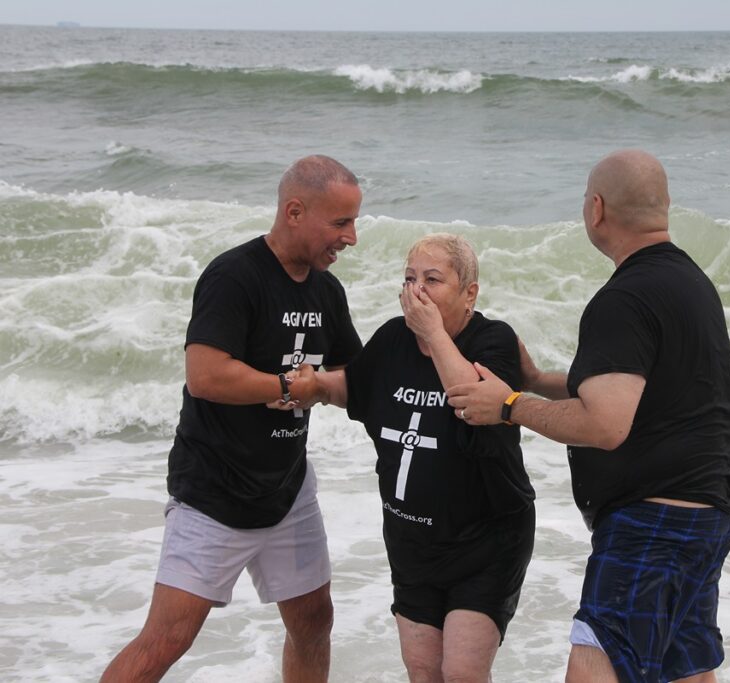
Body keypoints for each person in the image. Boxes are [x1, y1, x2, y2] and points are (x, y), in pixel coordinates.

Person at [448, 150, 730, 683]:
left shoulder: (623, 299)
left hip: (655, 522)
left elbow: (606, 425)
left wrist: (510, 406)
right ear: (665, 207)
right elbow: (645, 389)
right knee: (687, 665)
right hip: (708, 512)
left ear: (596, 209)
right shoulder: (690, 283)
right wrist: (538, 381)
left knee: (595, 663)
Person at [101, 155, 364, 682]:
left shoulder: (325, 291)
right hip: (214, 492)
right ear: (294, 211)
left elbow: (350, 376)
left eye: (353, 222)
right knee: (166, 642)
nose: (351, 237)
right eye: (340, 222)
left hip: (287, 491)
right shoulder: (234, 276)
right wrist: (292, 386)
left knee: (314, 622)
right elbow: (206, 375)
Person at [284, 232, 535, 683]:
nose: (416, 291)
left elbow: (469, 401)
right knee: (423, 671)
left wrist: (433, 334)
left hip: (486, 539)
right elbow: (356, 387)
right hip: (412, 542)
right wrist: (318, 386)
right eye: (409, 278)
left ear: (469, 293)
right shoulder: (391, 339)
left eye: (433, 280)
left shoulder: (493, 341)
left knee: (461, 672)